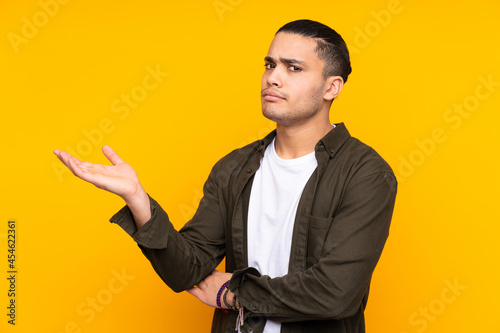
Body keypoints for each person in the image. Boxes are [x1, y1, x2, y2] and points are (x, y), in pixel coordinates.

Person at [54, 19, 397, 333]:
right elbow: (187, 271)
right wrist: (138, 200)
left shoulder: (366, 175)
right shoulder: (234, 168)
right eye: (270, 64)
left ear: (331, 87)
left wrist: (234, 294)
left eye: (293, 68)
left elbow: (334, 293)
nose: (273, 77)